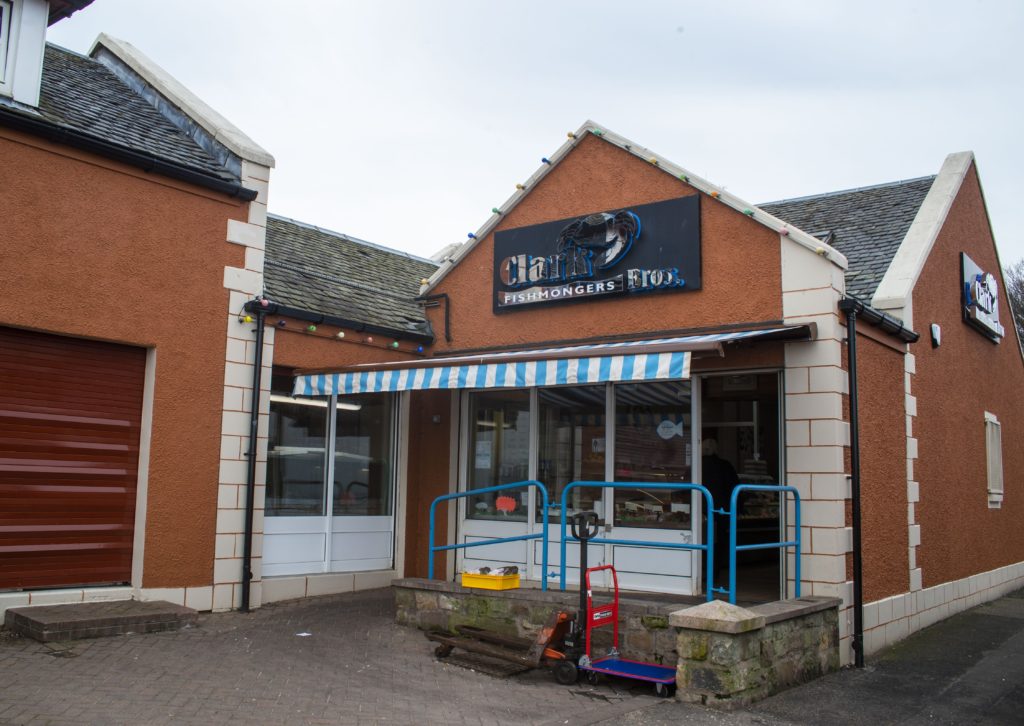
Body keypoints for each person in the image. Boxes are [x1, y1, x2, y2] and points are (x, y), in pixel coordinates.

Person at [701, 437, 739, 588]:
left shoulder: (697, 466)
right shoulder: (725, 466)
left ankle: (702, 572)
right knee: (718, 544)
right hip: (721, 512)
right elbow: (734, 487)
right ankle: (714, 574)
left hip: (700, 512)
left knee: (702, 542)